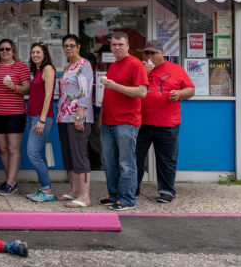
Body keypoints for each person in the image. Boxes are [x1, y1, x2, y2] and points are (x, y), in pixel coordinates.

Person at [135, 39, 195, 203]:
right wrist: (142, 72)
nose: (149, 56)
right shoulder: (139, 69)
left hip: (167, 123)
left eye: (153, 52)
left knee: (167, 159)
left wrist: (180, 94)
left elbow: (191, 89)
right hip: (140, 122)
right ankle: (133, 189)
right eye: (146, 52)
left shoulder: (176, 69)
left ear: (162, 53)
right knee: (136, 157)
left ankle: (167, 190)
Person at [98, 32, 148, 211]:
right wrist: (101, 118)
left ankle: (127, 199)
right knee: (109, 161)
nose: (117, 48)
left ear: (127, 46)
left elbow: (142, 92)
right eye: (114, 45)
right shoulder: (113, 66)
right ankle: (114, 195)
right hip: (108, 122)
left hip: (127, 121)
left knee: (126, 162)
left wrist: (115, 86)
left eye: (120, 44)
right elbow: (108, 95)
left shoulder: (136, 65)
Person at [0, 38, 30, 195]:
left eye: (7, 49)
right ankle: (9, 181)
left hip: (15, 114)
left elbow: (27, 89)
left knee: (13, 149)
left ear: (13, 51)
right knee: (3, 149)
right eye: (1, 49)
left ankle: (11, 182)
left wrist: (14, 87)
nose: (4, 52)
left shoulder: (20, 67)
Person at [57, 34, 93, 208]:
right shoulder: (67, 66)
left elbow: (85, 92)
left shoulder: (84, 65)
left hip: (77, 117)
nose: (69, 48)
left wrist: (80, 115)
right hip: (64, 117)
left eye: (72, 45)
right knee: (69, 156)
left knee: (80, 156)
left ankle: (85, 196)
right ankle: (74, 191)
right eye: (66, 46)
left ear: (79, 47)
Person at [24, 42, 56, 203]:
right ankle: (43, 188)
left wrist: (42, 120)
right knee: (39, 154)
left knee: (33, 153)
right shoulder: (37, 71)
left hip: (42, 117)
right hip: (32, 116)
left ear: (44, 54)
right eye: (32, 52)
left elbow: (49, 95)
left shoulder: (48, 69)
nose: (35, 55)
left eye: (38, 52)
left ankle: (47, 190)